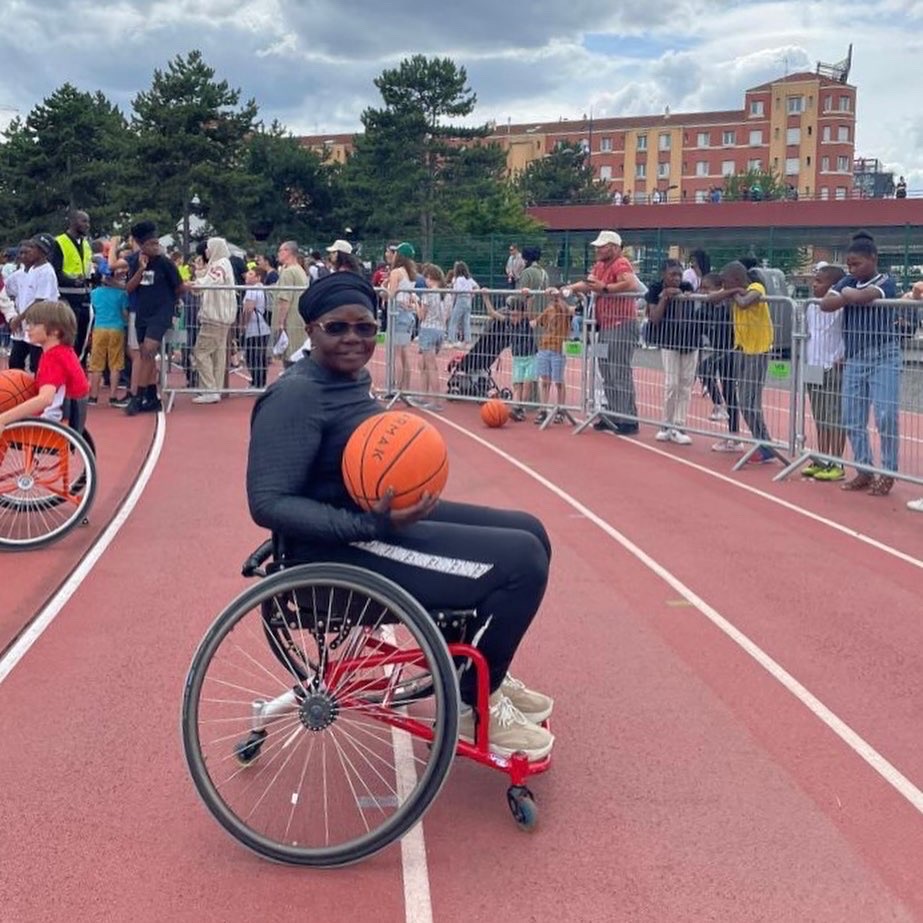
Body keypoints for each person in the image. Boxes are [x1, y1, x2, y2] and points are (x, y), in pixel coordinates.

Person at [246, 272, 554, 760]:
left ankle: (482, 670)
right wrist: (367, 525)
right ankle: (479, 701)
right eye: (337, 328)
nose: (353, 338)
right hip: (338, 549)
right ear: (312, 329)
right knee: (523, 562)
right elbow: (267, 503)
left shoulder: (350, 379)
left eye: (365, 328)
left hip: (375, 525)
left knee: (530, 530)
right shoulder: (296, 396)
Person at [820, 231, 901, 495]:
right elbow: (825, 304)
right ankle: (864, 469)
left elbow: (859, 298)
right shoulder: (849, 280)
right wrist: (847, 292)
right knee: (851, 417)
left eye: (857, 264)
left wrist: (845, 292)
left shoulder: (886, 281)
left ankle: (888, 471)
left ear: (873, 259)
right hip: (855, 358)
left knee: (886, 415)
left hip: (884, 355)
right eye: (849, 265)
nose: (852, 270)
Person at [567, 230, 643, 435]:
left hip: (621, 323)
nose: (598, 249)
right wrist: (569, 289)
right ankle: (615, 413)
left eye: (603, 246)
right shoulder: (600, 266)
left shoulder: (621, 263)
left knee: (619, 371)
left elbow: (630, 283)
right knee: (607, 371)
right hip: (606, 324)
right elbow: (589, 283)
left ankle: (628, 417)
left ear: (615, 248)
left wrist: (606, 288)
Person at [124, 221, 185, 416]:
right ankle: (151, 396)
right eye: (150, 243)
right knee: (144, 353)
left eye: (157, 242)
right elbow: (129, 288)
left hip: (161, 312)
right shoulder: (134, 261)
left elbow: (179, 287)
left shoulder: (165, 263)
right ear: (141, 245)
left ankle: (137, 396)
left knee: (149, 350)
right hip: (143, 312)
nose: (155, 247)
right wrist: (141, 270)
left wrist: (171, 304)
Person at [0, 300, 89, 433]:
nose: (28, 328)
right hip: (69, 418)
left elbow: (45, 399)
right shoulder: (66, 352)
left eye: (34, 324)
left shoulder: (53, 358)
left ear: (55, 331)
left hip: (49, 422)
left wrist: (3, 419)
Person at [718, 261, 775, 463]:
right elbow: (710, 298)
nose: (723, 285)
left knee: (749, 402)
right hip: (742, 349)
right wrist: (731, 291)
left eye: (726, 281)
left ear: (735, 279)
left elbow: (744, 302)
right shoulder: (735, 290)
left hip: (757, 350)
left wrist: (731, 292)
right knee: (745, 401)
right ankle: (763, 443)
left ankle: (766, 445)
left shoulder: (755, 287)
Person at [645, 259, 698, 444]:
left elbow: (689, 313)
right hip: (668, 341)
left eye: (679, 274)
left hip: (690, 341)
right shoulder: (654, 288)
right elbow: (654, 317)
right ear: (663, 275)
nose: (677, 278)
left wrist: (682, 296)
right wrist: (665, 297)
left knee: (685, 383)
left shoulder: (687, 286)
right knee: (671, 383)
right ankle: (666, 424)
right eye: (672, 274)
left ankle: (679, 425)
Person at [802, 264, 847, 480]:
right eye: (814, 280)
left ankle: (837, 462)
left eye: (819, 281)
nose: (814, 284)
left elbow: (852, 332)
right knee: (819, 415)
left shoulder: (842, 307)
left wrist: (844, 355)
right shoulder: (811, 306)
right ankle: (822, 457)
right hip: (813, 365)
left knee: (835, 416)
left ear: (833, 286)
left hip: (833, 366)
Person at [190, 237, 238, 404]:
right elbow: (209, 279)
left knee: (201, 352)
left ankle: (210, 389)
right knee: (218, 354)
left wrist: (196, 283)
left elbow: (212, 280)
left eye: (209, 248)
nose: (206, 251)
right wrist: (199, 274)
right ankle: (215, 388)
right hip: (222, 316)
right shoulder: (222, 263)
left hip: (215, 316)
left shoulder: (220, 264)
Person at [699, 272, 742, 451]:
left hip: (731, 350)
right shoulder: (706, 308)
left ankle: (734, 436)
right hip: (718, 350)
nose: (702, 292)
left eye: (706, 288)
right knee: (704, 370)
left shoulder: (728, 306)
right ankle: (720, 407)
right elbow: (697, 321)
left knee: (729, 390)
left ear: (718, 289)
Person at [2, 238, 59, 373]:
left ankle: (39, 391)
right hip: (25, 326)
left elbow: (38, 301)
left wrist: (18, 318)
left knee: (36, 364)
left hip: (41, 325)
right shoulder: (29, 271)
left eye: (32, 248)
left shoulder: (46, 272)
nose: (27, 253)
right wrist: (14, 314)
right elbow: (9, 294)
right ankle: (20, 391)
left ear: (42, 252)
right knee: (15, 361)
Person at [50, 209, 94, 361]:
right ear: (73, 222)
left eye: (88, 221)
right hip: (66, 299)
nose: (87, 225)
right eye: (84, 221)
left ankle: (76, 370)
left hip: (85, 298)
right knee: (66, 338)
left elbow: (88, 269)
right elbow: (54, 271)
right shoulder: (59, 242)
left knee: (82, 340)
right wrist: (71, 281)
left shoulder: (86, 244)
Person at [87, 259, 130, 406]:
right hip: (117, 327)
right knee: (115, 364)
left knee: (96, 364)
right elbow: (125, 313)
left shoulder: (94, 293)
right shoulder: (122, 293)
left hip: (99, 328)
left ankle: (93, 397)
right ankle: (112, 397)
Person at [532, 288, 574, 424]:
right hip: (545, 347)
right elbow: (536, 321)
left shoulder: (564, 309)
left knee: (558, 380)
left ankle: (560, 409)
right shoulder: (548, 309)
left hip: (558, 348)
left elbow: (564, 308)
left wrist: (557, 296)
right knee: (545, 380)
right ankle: (543, 409)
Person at [386, 243, 419, 395]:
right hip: (408, 315)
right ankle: (404, 387)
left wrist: (384, 290)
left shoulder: (396, 272)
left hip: (398, 313)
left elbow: (391, 295)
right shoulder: (411, 273)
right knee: (404, 353)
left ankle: (396, 388)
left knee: (398, 353)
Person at [417, 263, 449, 411]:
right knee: (423, 364)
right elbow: (447, 315)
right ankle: (423, 396)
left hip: (428, 329)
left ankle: (436, 401)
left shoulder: (428, 294)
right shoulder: (446, 294)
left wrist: (415, 305)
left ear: (430, 278)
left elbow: (422, 316)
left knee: (431, 367)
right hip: (440, 330)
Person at [273, 241, 309, 366]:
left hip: (290, 321)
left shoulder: (289, 272)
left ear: (288, 252)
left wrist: (280, 322)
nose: (278, 253)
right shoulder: (300, 270)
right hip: (300, 318)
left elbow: (285, 298)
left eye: (280, 250)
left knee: (289, 357)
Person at [241, 266, 271, 389]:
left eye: (251, 274)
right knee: (259, 356)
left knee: (253, 356)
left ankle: (257, 382)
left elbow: (248, 308)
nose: (247, 276)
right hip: (262, 327)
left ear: (258, 278)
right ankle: (260, 381)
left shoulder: (252, 290)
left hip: (255, 328)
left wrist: (243, 324)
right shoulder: (261, 289)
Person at [448, 261, 478, 347]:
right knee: (466, 321)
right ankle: (467, 340)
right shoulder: (469, 279)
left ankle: (451, 339)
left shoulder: (458, 279)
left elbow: (456, 291)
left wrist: (452, 301)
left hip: (461, 299)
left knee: (453, 320)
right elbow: (476, 286)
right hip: (468, 300)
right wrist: (472, 294)